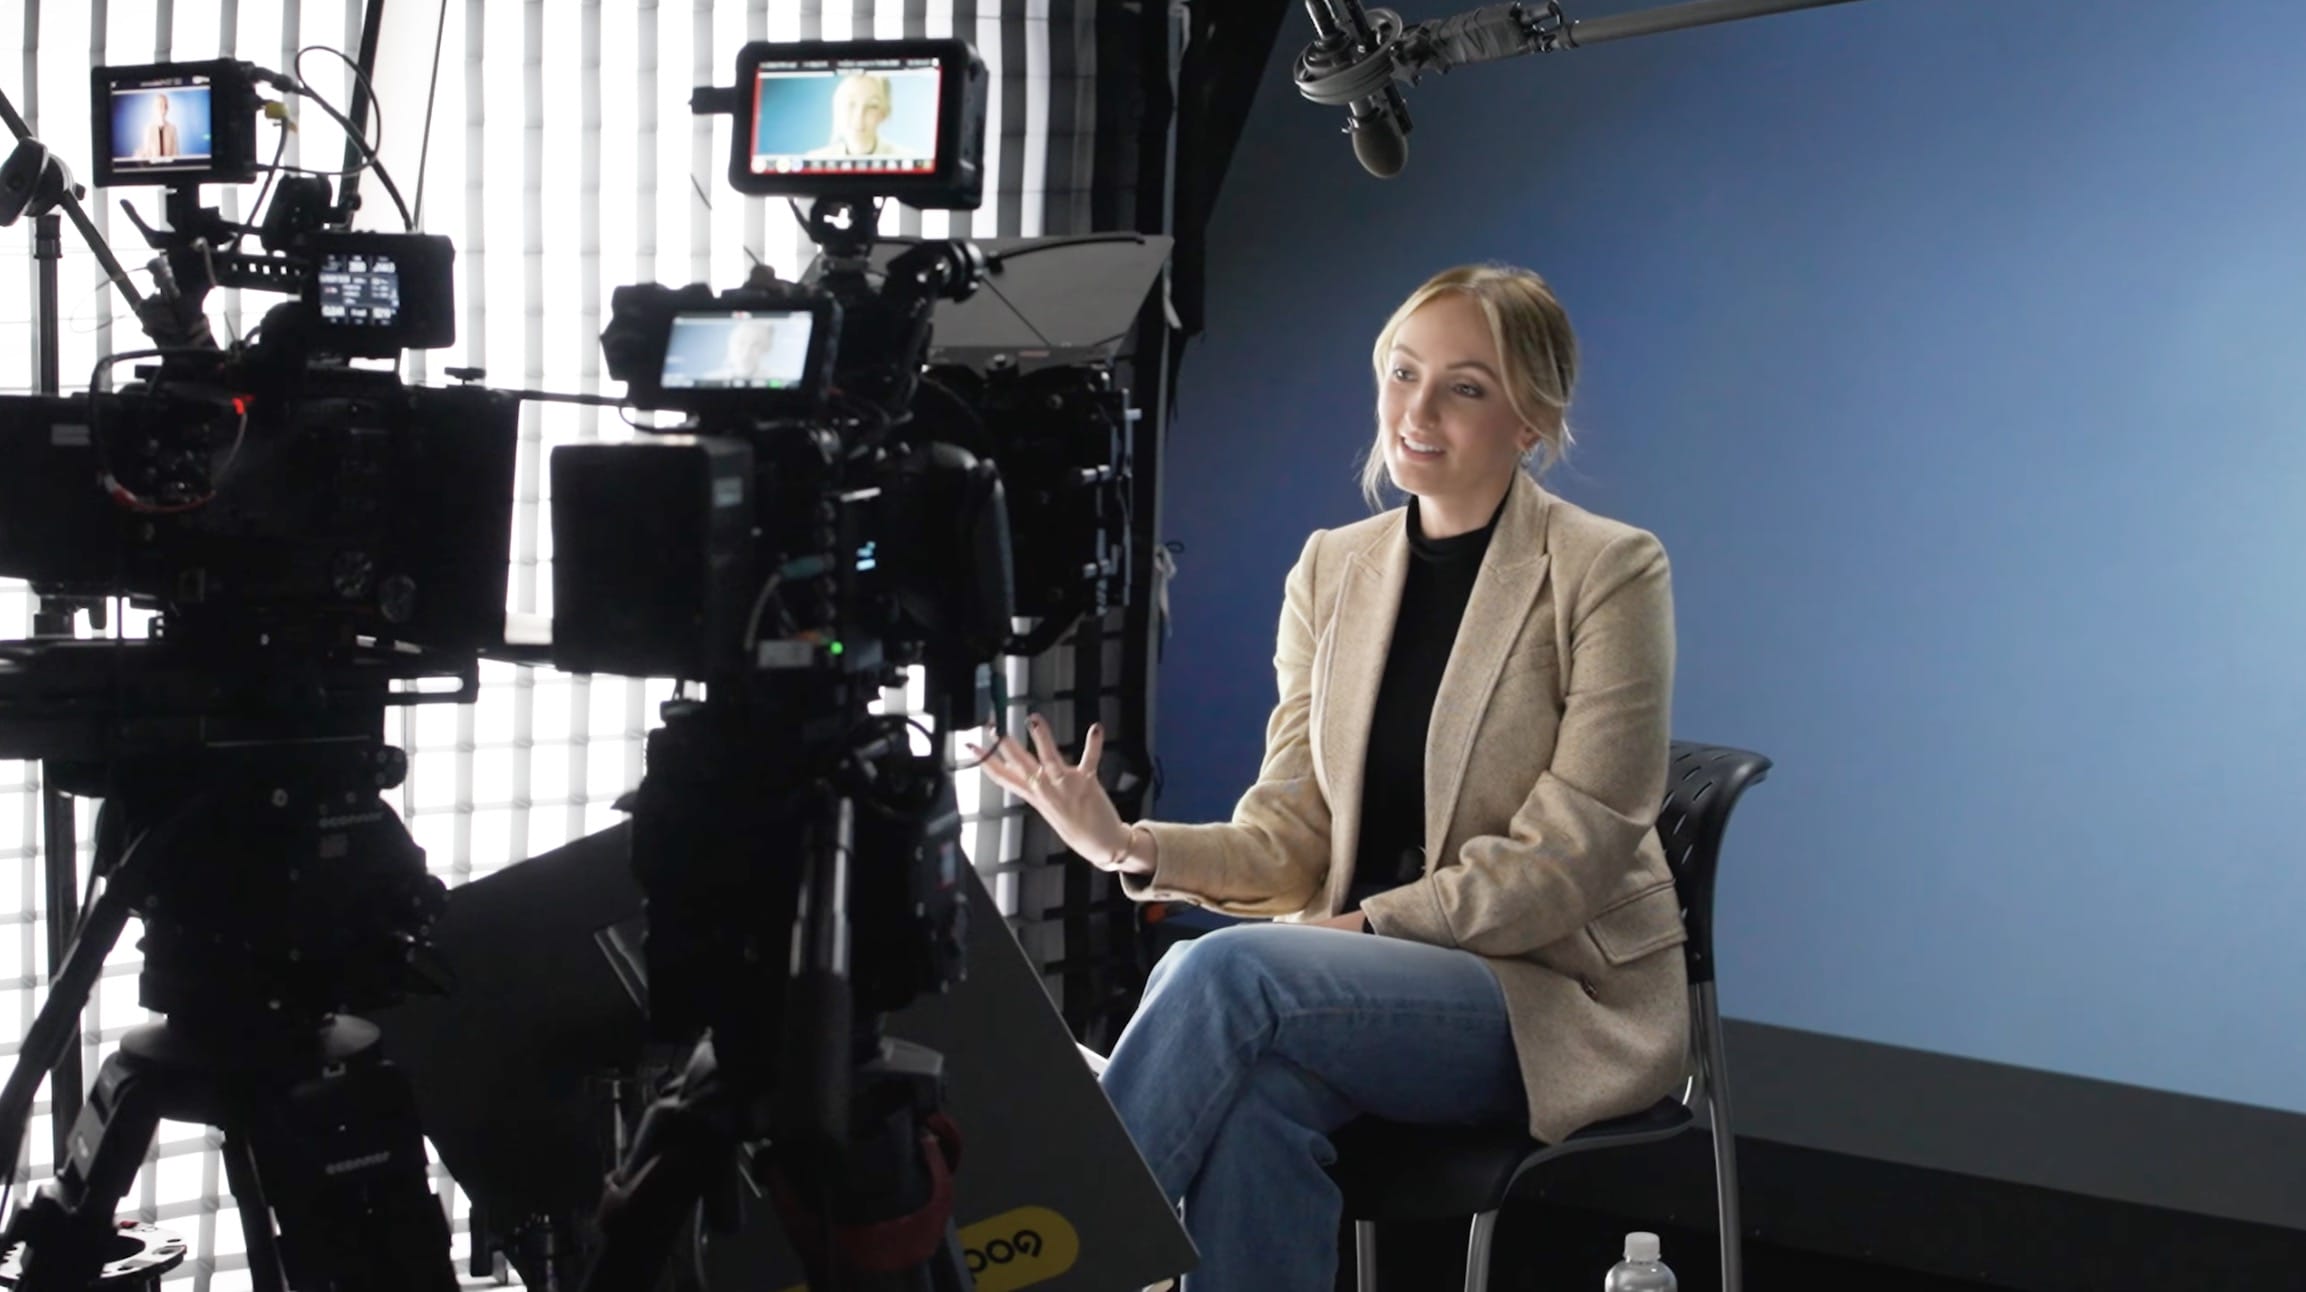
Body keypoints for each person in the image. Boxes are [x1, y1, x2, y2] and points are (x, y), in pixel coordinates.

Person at [968, 263, 1691, 1292]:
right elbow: (1291, 829)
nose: (1417, 409)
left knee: (1227, 971)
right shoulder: (1330, 567)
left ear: (1532, 418)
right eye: (1401, 373)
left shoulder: (1609, 569)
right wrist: (1127, 844)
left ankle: (1052, 1266)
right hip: (1353, 984)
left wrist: (1363, 926)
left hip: (1544, 992)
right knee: (1255, 1107)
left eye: (1465, 385)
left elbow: (1569, 858)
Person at [803, 72, 915, 159]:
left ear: (884, 113)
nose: (859, 117)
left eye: (872, 106)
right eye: (851, 104)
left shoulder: (907, 159)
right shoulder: (815, 160)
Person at [135, 92, 180, 161]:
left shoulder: (172, 128)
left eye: (163, 105)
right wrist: (140, 156)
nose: (161, 108)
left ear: (167, 108)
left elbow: (176, 153)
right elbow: (147, 152)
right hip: (153, 168)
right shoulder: (149, 128)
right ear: (154, 108)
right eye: (158, 105)